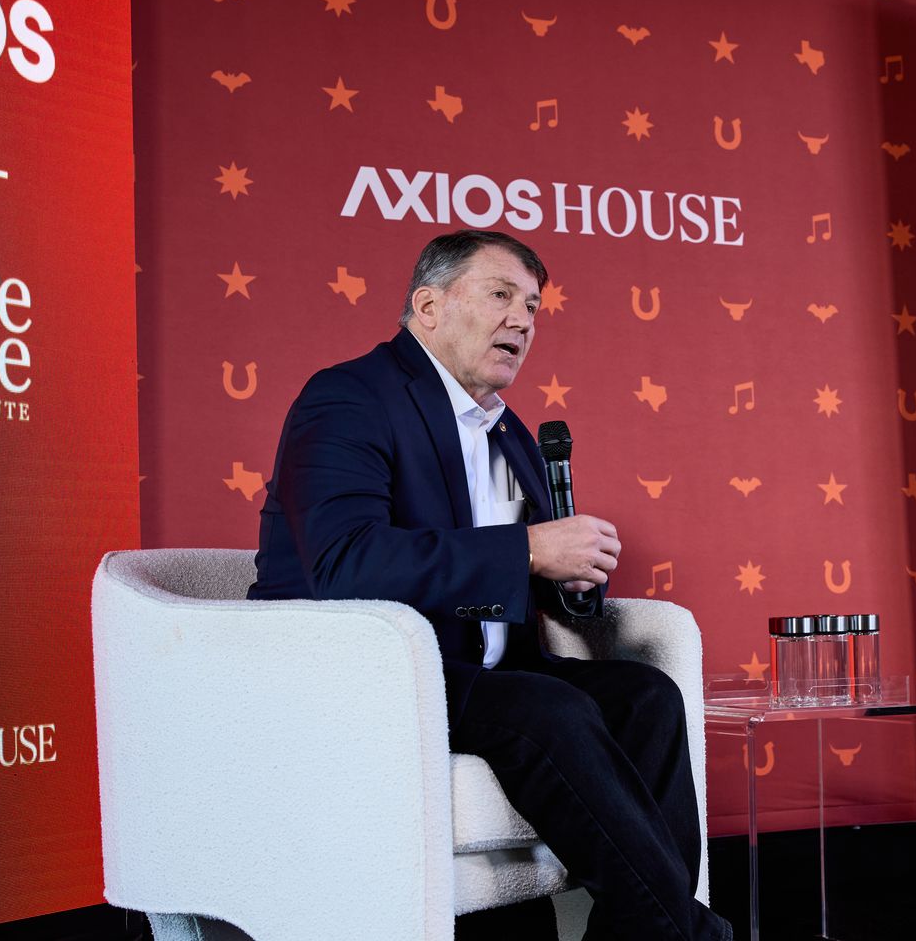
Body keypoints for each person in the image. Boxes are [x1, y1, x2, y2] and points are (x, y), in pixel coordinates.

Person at [249, 231, 730, 941]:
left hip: (489, 669)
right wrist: (530, 549)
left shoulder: (509, 435)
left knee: (648, 698)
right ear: (429, 306)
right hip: (379, 672)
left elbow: (521, 571)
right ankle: (690, 933)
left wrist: (571, 574)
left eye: (532, 306)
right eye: (501, 295)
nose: (522, 320)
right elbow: (345, 561)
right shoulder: (349, 397)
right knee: (547, 709)